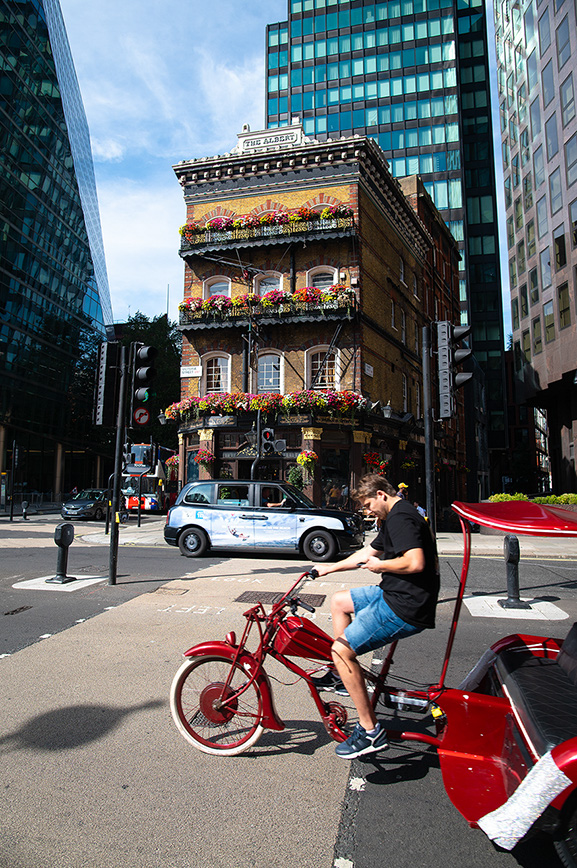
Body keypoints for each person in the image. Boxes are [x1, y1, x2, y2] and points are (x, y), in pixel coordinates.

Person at [310, 473, 439, 760]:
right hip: (394, 593)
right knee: (340, 601)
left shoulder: (401, 517)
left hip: (405, 604)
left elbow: (415, 562)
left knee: (341, 651)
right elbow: (368, 552)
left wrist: (381, 566)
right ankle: (341, 677)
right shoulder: (394, 515)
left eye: (368, 504)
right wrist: (327, 569)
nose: (368, 511)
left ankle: (370, 731)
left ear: (382, 494)